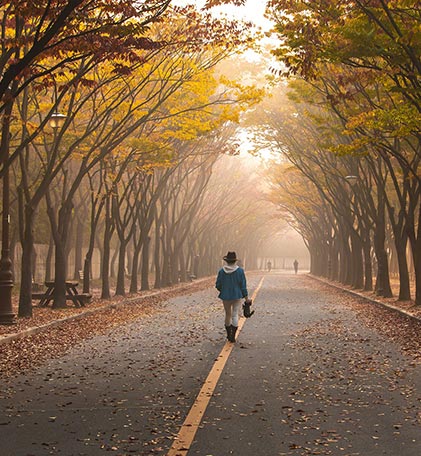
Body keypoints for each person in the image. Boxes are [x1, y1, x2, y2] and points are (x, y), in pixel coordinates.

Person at [215, 251, 250, 343]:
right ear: (235, 261)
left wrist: (223, 290)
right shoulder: (240, 271)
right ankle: (233, 336)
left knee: (228, 314)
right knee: (235, 314)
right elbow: (243, 286)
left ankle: (228, 334)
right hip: (237, 295)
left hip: (225, 296)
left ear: (226, 261)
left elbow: (218, 285)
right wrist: (246, 299)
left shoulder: (221, 271)